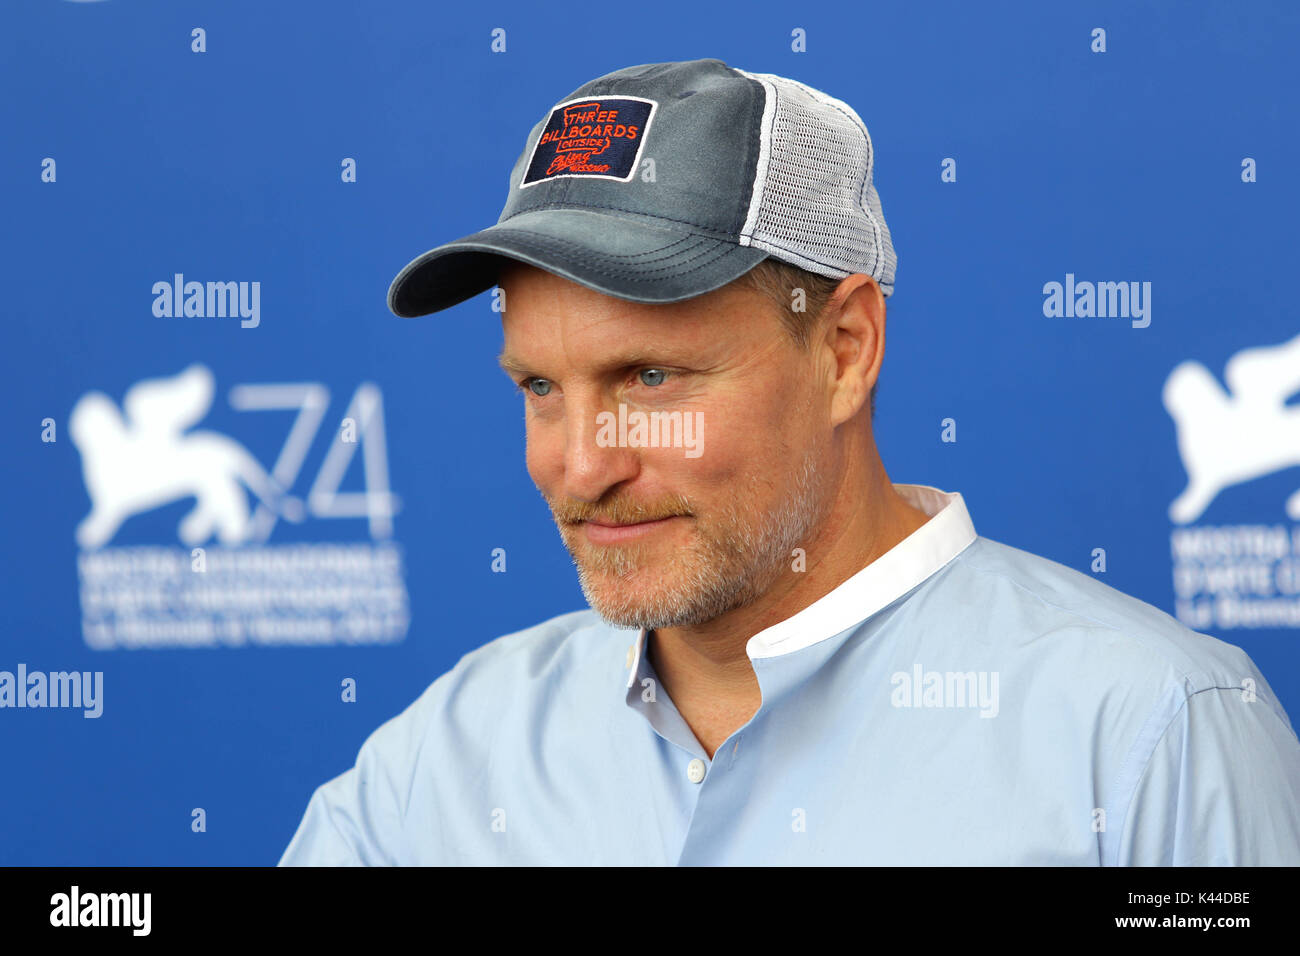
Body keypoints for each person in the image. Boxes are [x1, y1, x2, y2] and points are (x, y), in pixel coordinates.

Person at [279, 58, 1300, 865]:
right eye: (539, 388)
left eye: (648, 379)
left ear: (845, 348)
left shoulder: (1150, 731)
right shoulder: (449, 751)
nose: (581, 466)